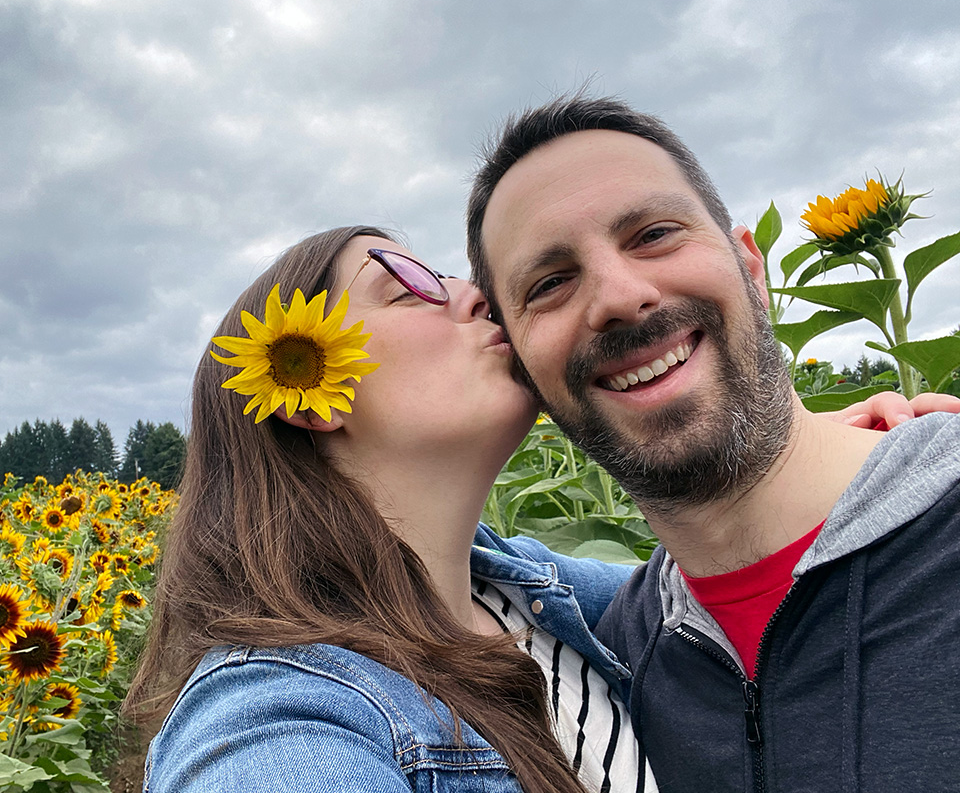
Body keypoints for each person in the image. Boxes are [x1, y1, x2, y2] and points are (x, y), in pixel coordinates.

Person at [125, 224, 934, 793]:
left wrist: (804, 460)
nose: (476, 296)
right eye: (408, 285)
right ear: (303, 387)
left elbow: (712, 589)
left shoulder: (537, 596)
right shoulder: (279, 708)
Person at [465, 93, 960, 792]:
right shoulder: (609, 667)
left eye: (654, 234)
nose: (618, 294)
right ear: (519, 362)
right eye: (550, 283)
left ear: (751, 269)